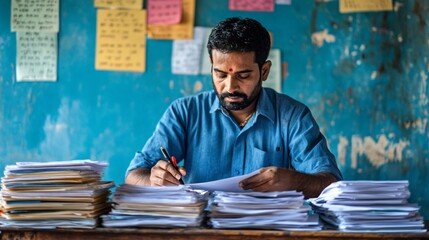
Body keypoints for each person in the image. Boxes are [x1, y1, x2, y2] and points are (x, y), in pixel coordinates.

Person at [126, 17, 342, 198]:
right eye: (220, 74)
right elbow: (133, 176)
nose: (230, 87)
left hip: (267, 230)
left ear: (264, 71)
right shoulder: (185, 112)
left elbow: (331, 184)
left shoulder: (292, 116)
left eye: (243, 75)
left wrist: (295, 180)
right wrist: (154, 179)